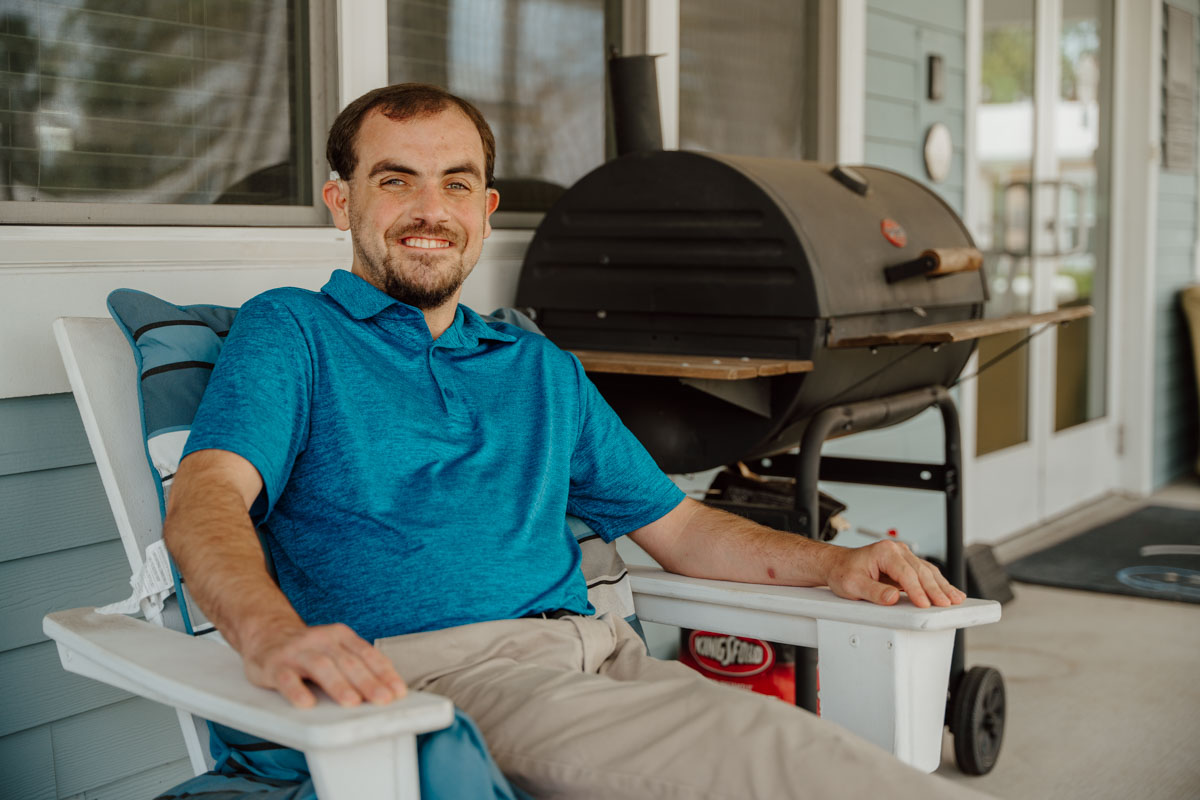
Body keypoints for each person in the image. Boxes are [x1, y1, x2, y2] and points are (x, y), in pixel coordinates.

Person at [165, 83, 987, 800]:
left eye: (457, 183)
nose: (430, 210)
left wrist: (834, 564)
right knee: (810, 772)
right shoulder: (294, 331)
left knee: (799, 753)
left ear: (485, 210)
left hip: (604, 657)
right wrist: (271, 634)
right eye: (396, 181)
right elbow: (205, 496)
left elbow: (683, 529)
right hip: (450, 682)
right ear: (341, 203)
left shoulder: (535, 366)